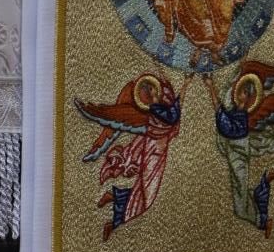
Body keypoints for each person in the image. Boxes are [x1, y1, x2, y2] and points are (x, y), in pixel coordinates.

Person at [75, 72, 191, 241]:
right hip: (154, 153)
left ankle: (113, 200)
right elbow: (173, 115)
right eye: (149, 91)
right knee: (147, 196)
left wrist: (177, 80)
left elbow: (172, 104)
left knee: (145, 194)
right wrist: (185, 84)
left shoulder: (162, 103)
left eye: (153, 89)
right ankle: (113, 220)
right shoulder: (156, 110)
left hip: (158, 153)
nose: (154, 92)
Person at [203, 61, 274, 236]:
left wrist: (211, 86)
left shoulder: (241, 117)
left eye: (243, 91)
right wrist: (213, 84)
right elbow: (221, 109)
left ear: (248, 98)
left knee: (240, 206)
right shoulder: (235, 111)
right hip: (234, 153)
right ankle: (264, 188)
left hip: (238, 156)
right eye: (240, 89)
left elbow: (221, 117)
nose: (238, 92)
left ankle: (264, 218)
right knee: (240, 199)